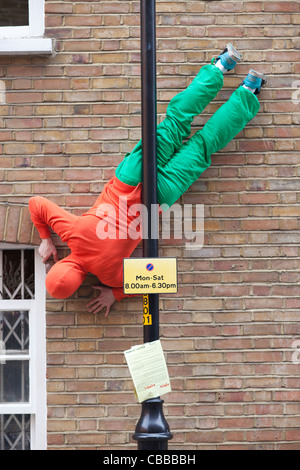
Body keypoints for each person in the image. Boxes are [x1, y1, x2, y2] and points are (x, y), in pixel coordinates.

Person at [29, 44, 267, 317]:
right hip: (130, 178)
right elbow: (36, 204)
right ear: (60, 263)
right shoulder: (72, 234)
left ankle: (249, 89)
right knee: (176, 121)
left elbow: (148, 281)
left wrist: (113, 294)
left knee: (203, 145)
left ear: (80, 281)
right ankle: (222, 65)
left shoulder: (111, 275)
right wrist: (46, 239)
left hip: (157, 199)